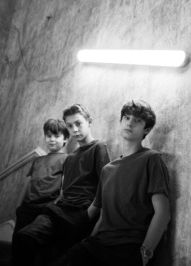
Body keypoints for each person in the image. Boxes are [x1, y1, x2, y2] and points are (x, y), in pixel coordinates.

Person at [54, 100, 171, 266]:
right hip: (97, 244)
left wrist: (145, 254)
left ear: (147, 129)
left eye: (137, 120)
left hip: (127, 248)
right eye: (127, 118)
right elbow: (103, 214)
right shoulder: (107, 169)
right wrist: (89, 240)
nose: (130, 123)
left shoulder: (151, 159)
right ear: (121, 121)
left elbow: (163, 213)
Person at [11, 104, 111, 266]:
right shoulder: (70, 158)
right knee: (23, 237)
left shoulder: (98, 147)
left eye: (78, 124)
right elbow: (65, 190)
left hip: (81, 212)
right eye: (70, 126)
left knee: (60, 256)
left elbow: (106, 188)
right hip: (59, 210)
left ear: (89, 122)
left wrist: (89, 215)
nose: (75, 130)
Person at [13, 119, 70, 234]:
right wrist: (18, 206)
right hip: (27, 208)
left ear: (65, 139)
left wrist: (54, 206)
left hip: (46, 209)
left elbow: (64, 188)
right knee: (18, 243)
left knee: (34, 242)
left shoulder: (67, 159)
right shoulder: (37, 160)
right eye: (48, 136)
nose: (52, 139)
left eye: (57, 136)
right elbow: (28, 183)